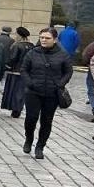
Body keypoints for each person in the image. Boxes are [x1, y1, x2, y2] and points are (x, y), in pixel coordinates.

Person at [19, 28, 71, 160]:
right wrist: (29, 82)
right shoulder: (32, 53)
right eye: (42, 37)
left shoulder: (62, 54)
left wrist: (60, 84)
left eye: (47, 38)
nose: (43, 40)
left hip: (52, 93)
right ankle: (29, 139)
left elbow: (68, 72)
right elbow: (24, 69)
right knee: (31, 118)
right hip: (33, 92)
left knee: (46, 121)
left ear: (54, 39)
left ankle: (40, 146)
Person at [1, 27, 34, 118]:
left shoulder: (17, 45)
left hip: (15, 71)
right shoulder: (32, 46)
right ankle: (18, 109)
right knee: (21, 92)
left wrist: (7, 66)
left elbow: (13, 59)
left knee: (13, 91)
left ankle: (14, 109)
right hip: (27, 73)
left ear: (19, 35)